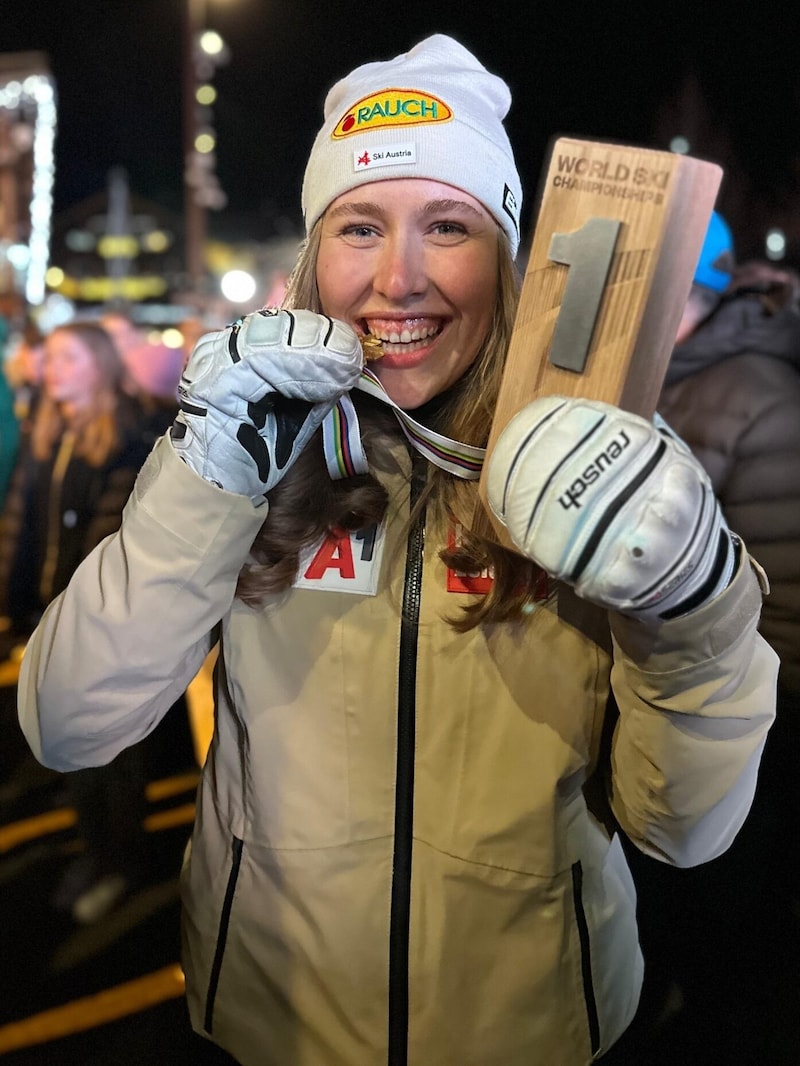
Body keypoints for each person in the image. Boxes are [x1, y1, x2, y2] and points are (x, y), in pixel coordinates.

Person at [16, 35, 777, 1066]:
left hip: (534, 1033)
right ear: (311, 258)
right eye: (359, 226)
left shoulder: (600, 467)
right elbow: (68, 723)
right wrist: (203, 473)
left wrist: (695, 605)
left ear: (508, 262)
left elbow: (682, 828)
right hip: (273, 1028)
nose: (397, 277)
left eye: (448, 226)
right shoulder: (245, 450)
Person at [619, 215, 800, 1059]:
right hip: (711, 695)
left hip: (765, 709)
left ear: (702, 291)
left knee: (725, 921)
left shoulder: (744, 388)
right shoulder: (683, 376)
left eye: (655, 292)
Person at [0, 320, 157, 922]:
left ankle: (120, 862)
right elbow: (19, 523)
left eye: (68, 356)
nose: (51, 366)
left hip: (100, 630)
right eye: (49, 356)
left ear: (101, 364)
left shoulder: (131, 436)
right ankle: (98, 852)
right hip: (51, 620)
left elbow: (109, 541)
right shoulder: (48, 432)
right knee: (68, 751)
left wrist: (68, 620)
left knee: (110, 755)